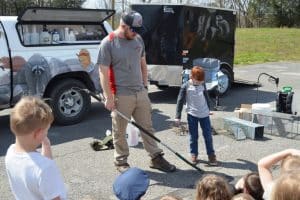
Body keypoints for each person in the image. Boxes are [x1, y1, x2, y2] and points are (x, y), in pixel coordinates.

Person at [97, 11, 176, 173]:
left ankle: (156, 157)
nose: (136, 33)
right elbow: (102, 72)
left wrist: (145, 88)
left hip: (140, 92)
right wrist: (108, 97)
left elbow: (143, 64)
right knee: (119, 130)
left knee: (147, 127)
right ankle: (121, 161)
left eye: (139, 30)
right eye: (133, 30)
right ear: (123, 26)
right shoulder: (108, 43)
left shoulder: (138, 39)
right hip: (121, 94)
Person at [5, 96, 67, 200]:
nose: (47, 133)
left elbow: (38, 164)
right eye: (46, 130)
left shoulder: (10, 153)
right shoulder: (46, 168)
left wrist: (46, 145)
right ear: (38, 134)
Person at [175, 66, 218, 165]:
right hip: (192, 115)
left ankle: (211, 156)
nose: (200, 83)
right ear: (191, 76)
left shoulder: (202, 84)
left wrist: (209, 109)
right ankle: (194, 154)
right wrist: (177, 116)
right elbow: (180, 101)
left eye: (201, 81)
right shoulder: (185, 86)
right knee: (193, 136)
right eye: (198, 81)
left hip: (204, 114)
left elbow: (206, 96)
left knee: (208, 136)